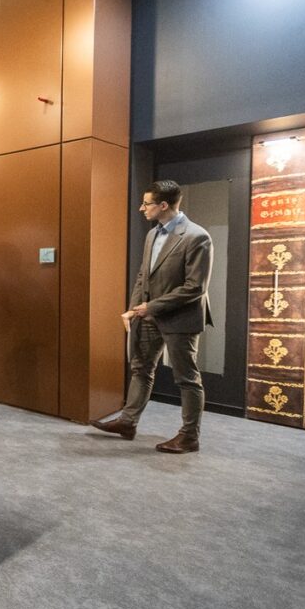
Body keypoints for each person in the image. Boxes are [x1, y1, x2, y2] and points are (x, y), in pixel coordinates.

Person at [90, 180, 213, 454]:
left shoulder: (197, 236)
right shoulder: (152, 235)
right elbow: (143, 276)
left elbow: (196, 288)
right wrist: (133, 310)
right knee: (141, 369)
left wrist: (151, 307)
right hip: (147, 316)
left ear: (163, 205)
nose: (141, 208)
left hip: (180, 319)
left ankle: (189, 437)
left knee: (187, 379)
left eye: (146, 203)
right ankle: (128, 422)